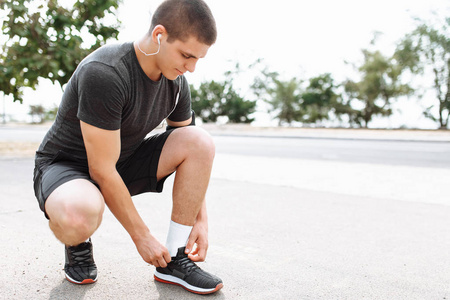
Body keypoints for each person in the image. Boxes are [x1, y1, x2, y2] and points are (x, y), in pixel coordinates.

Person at [32, 0, 223, 295]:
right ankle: (77, 241)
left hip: (121, 161)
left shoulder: (176, 81)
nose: (192, 68)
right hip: (66, 166)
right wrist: (142, 237)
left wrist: (201, 221)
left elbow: (194, 153)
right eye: (186, 55)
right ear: (159, 34)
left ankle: (175, 259)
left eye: (198, 59)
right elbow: (100, 169)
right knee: (77, 216)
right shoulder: (106, 72)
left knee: (199, 140)